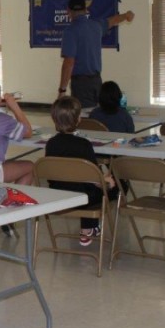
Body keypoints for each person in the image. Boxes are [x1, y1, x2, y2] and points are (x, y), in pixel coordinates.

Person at [45, 96, 117, 246]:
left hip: (58, 195)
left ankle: (90, 229)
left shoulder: (51, 144)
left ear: (54, 119)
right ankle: (87, 229)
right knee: (114, 186)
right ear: (78, 119)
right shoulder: (84, 144)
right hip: (84, 198)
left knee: (83, 183)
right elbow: (95, 179)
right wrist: (108, 181)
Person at [58, 0, 135, 107]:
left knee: (84, 115)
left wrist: (62, 90)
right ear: (85, 10)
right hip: (97, 81)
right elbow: (112, 20)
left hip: (81, 85)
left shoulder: (70, 31)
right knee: (97, 113)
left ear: (68, 11)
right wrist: (126, 15)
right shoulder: (96, 26)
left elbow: (69, 63)